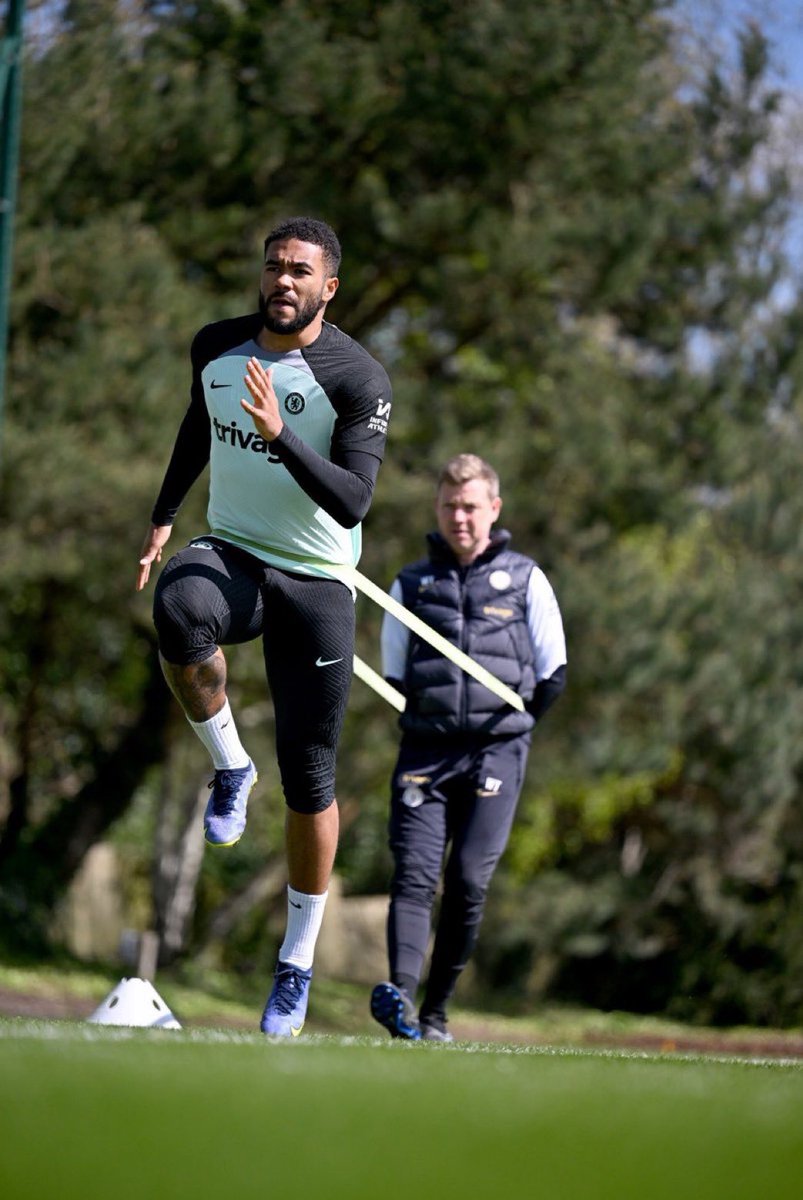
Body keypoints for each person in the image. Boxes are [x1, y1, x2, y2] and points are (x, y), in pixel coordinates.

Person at [136, 216, 392, 1037]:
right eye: (274, 267)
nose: (283, 281)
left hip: (316, 583)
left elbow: (354, 500)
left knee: (312, 778)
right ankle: (229, 767)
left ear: (328, 288)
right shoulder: (215, 346)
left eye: (300, 271)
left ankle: (296, 965)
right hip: (236, 552)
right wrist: (163, 516)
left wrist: (283, 440)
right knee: (179, 611)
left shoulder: (357, 377)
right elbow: (197, 423)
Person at [370, 454, 566, 1042]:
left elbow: (553, 672)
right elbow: (394, 676)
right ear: (437, 508)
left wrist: (510, 730)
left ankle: (436, 1014)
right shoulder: (410, 583)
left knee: (468, 883)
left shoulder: (527, 578)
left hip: (496, 756)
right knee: (412, 874)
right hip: (425, 755)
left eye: (471, 506)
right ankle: (400, 999)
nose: (460, 517)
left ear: (494, 510)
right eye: (451, 505)